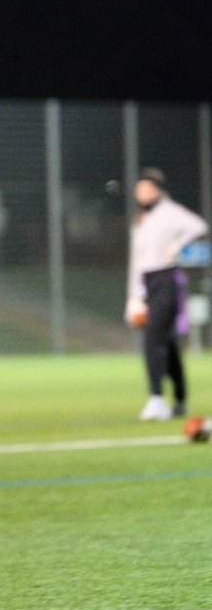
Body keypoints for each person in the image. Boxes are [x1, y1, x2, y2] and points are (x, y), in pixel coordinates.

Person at [125, 167, 208, 422]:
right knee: (169, 343)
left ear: (158, 190)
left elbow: (199, 226)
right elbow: (136, 261)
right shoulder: (140, 220)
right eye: (140, 188)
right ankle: (180, 400)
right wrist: (133, 297)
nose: (142, 192)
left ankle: (157, 399)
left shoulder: (170, 211)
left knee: (152, 339)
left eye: (147, 188)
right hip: (148, 283)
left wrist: (178, 245)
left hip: (167, 280)